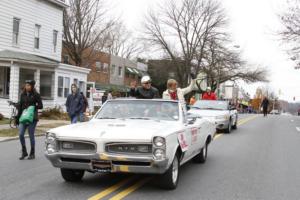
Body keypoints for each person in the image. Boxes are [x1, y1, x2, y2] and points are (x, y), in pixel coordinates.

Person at [16, 80, 43, 160]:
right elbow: (20, 107)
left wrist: (33, 106)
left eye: (28, 85)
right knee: (21, 134)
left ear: (32, 86)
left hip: (32, 118)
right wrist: (17, 118)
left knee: (31, 134)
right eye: (26, 85)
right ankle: (24, 152)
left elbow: (41, 106)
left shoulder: (36, 95)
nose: (27, 87)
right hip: (23, 117)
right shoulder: (22, 94)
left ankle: (32, 153)